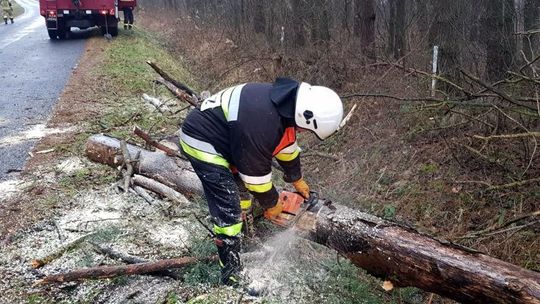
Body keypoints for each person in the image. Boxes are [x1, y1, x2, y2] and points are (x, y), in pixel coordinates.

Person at [180, 77, 343, 285]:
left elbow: (286, 147)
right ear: (306, 116)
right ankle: (230, 271)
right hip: (202, 141)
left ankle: (244, 232)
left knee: (243, 195)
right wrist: (272, 203)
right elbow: (255, 176)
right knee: (228, 208)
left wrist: (297, 179)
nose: (303, 133)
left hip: (230, 141)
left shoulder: (284, 106)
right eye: (306, 130)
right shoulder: (262, 122)